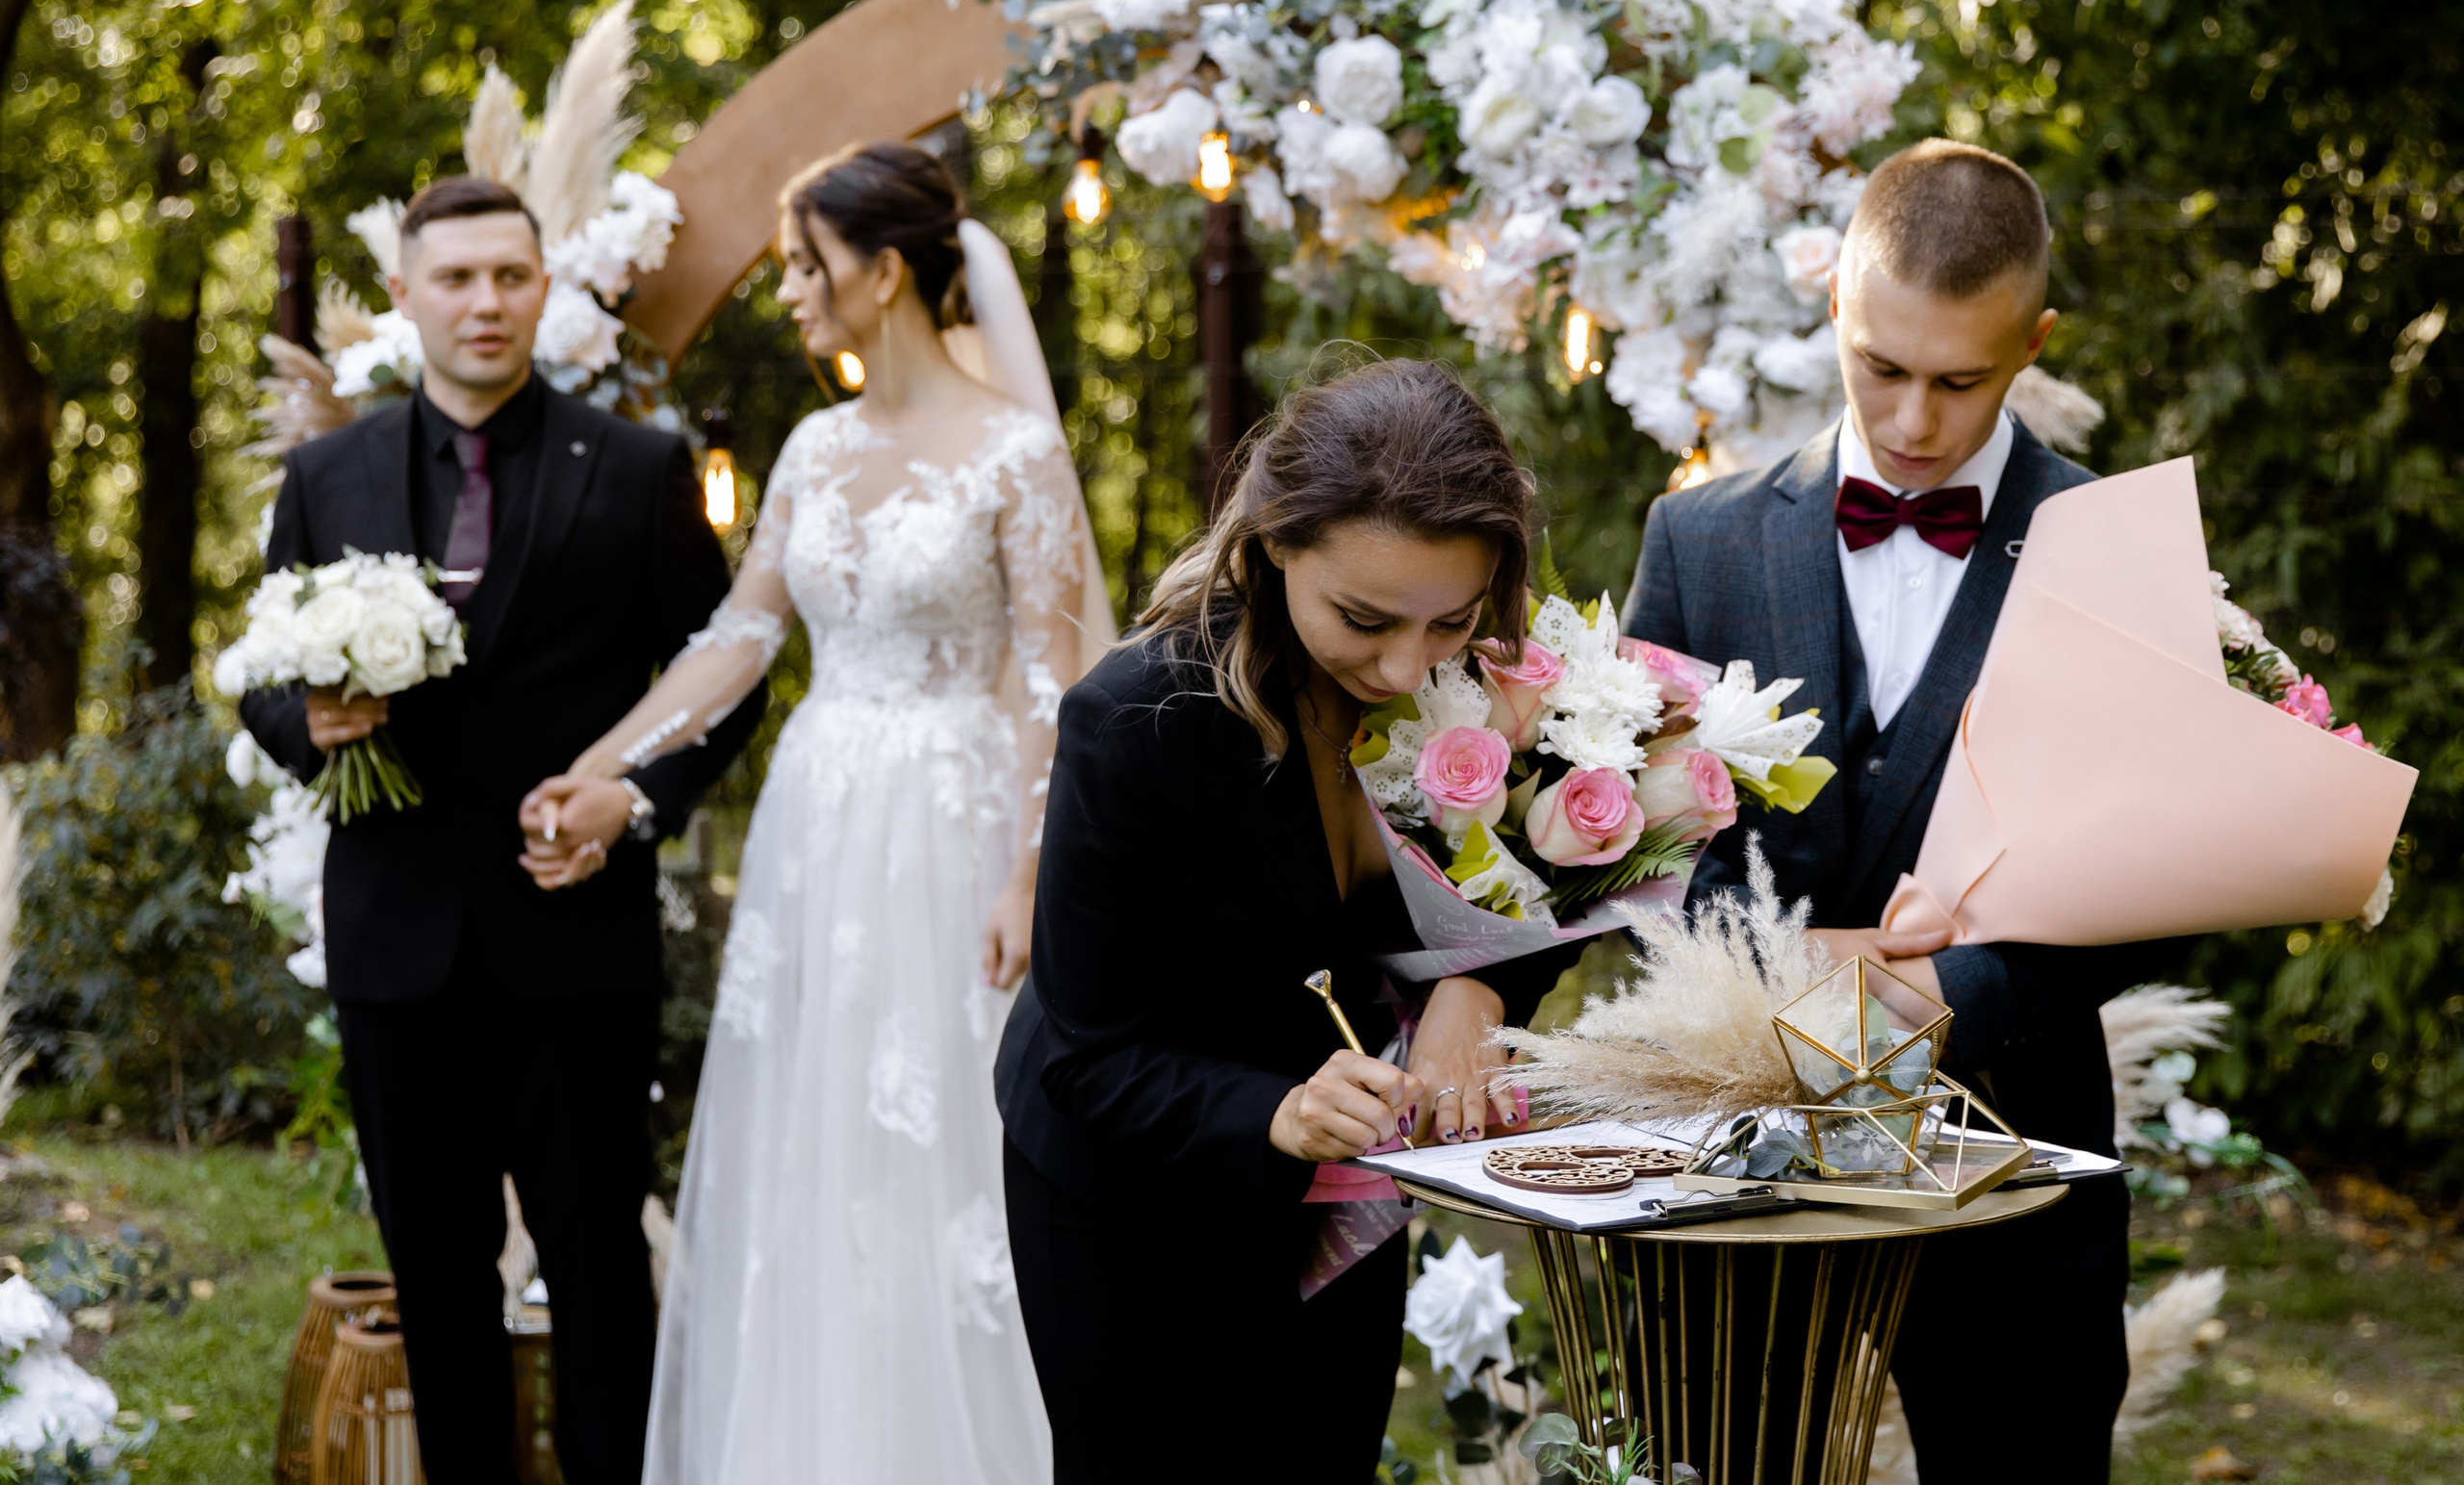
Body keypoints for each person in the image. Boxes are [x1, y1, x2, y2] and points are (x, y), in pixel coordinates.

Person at [523, 142, 1111, 1483]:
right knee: (816, 1129)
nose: (788, 290)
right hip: (819, 827)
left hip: (955, 825)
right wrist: (602, 760)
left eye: (804, 264)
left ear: (881, 271)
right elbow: (741, 637)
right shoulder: (815, 444)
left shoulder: (1015, 452)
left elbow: (1050, 680)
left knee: (943, 1131)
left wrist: (1027, 874)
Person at [1621, 139, 2184, 1479]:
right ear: (1834, 305)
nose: (1914, 419)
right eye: (1880, 366)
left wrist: (1950, 990)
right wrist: (1769, 964)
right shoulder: (1697, 539)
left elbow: (2172, 887)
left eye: (1960, 379)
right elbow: (1632, 846)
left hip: (2013, 1161)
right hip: (1736, 1162)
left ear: (2033, 342)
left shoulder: (2119, 550)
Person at [240, 175, 764, 1484]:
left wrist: (635, 799)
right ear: (406, 295)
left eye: (510, 276)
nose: (485, 301)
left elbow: (722, 682)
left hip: (575, 936)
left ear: (544, 289)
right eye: (457, 278)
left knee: (598, 1268)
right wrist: (311, 721)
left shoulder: (638, 467)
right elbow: (258, 674)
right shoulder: (325, 474)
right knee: (434, 1268)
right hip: (394, 936)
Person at [998, 361, 1590, 1484]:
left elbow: (1570, 877)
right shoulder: (1135, 723)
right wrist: (1275, 1109)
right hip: (1137, 1196)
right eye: (1363, 619)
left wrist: (1478, 988)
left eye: (1450, 618)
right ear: (1275, 541)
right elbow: (1088, 1057)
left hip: (1352, 1185)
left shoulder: (1499, 687)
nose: (1406, 665)